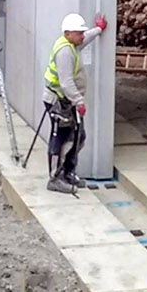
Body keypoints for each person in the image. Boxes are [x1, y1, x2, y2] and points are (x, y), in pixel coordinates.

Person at [43, 10, 107, 193]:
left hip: (67, 102)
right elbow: (66, 83)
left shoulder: (73, 44)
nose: (82, 35)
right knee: (62, 140)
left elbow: (86, 38)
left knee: (78, 137)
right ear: (68, 33)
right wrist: (79, 101)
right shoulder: (65, 52)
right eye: (79, 33)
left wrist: (98, 29)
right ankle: (55, 178)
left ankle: (67, 172)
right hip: (58, 102)